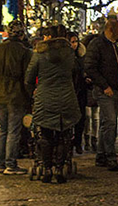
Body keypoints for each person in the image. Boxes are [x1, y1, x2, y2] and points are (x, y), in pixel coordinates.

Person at [25, 25, 81, 184]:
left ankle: (47, 168)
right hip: (66, 98)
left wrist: (33, 93)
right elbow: (76, 75)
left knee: (45, 134)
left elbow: (29, 79)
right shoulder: (70, 54)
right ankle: (60, 168)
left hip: (45, 98)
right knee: (64, 135)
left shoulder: (39, 55)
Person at [0, 20, 32, 175]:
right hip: (15, 94)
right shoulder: (24, 51)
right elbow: (27, 76)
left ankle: (1, 163)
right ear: (22, 34)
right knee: (13, 130)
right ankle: (11, 164)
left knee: (3, 129)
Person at [85, 18, 118, 171]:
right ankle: (110, 156)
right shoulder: (98, 45)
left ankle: (101, 155)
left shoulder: (114, 46)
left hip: (117, 89)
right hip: (105, 91)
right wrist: (104, 85)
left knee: (106, 123)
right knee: (110, 123)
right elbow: (90, 67)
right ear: (111, 30)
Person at [67, 31, 88, 154]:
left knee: (80, 119)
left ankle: (78, 142)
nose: (73, 44)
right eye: (71, 42)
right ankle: (69, 143)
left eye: (75, 42)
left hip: (80, 91)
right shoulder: (65, 58)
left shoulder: (81, 56)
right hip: (69, 92)